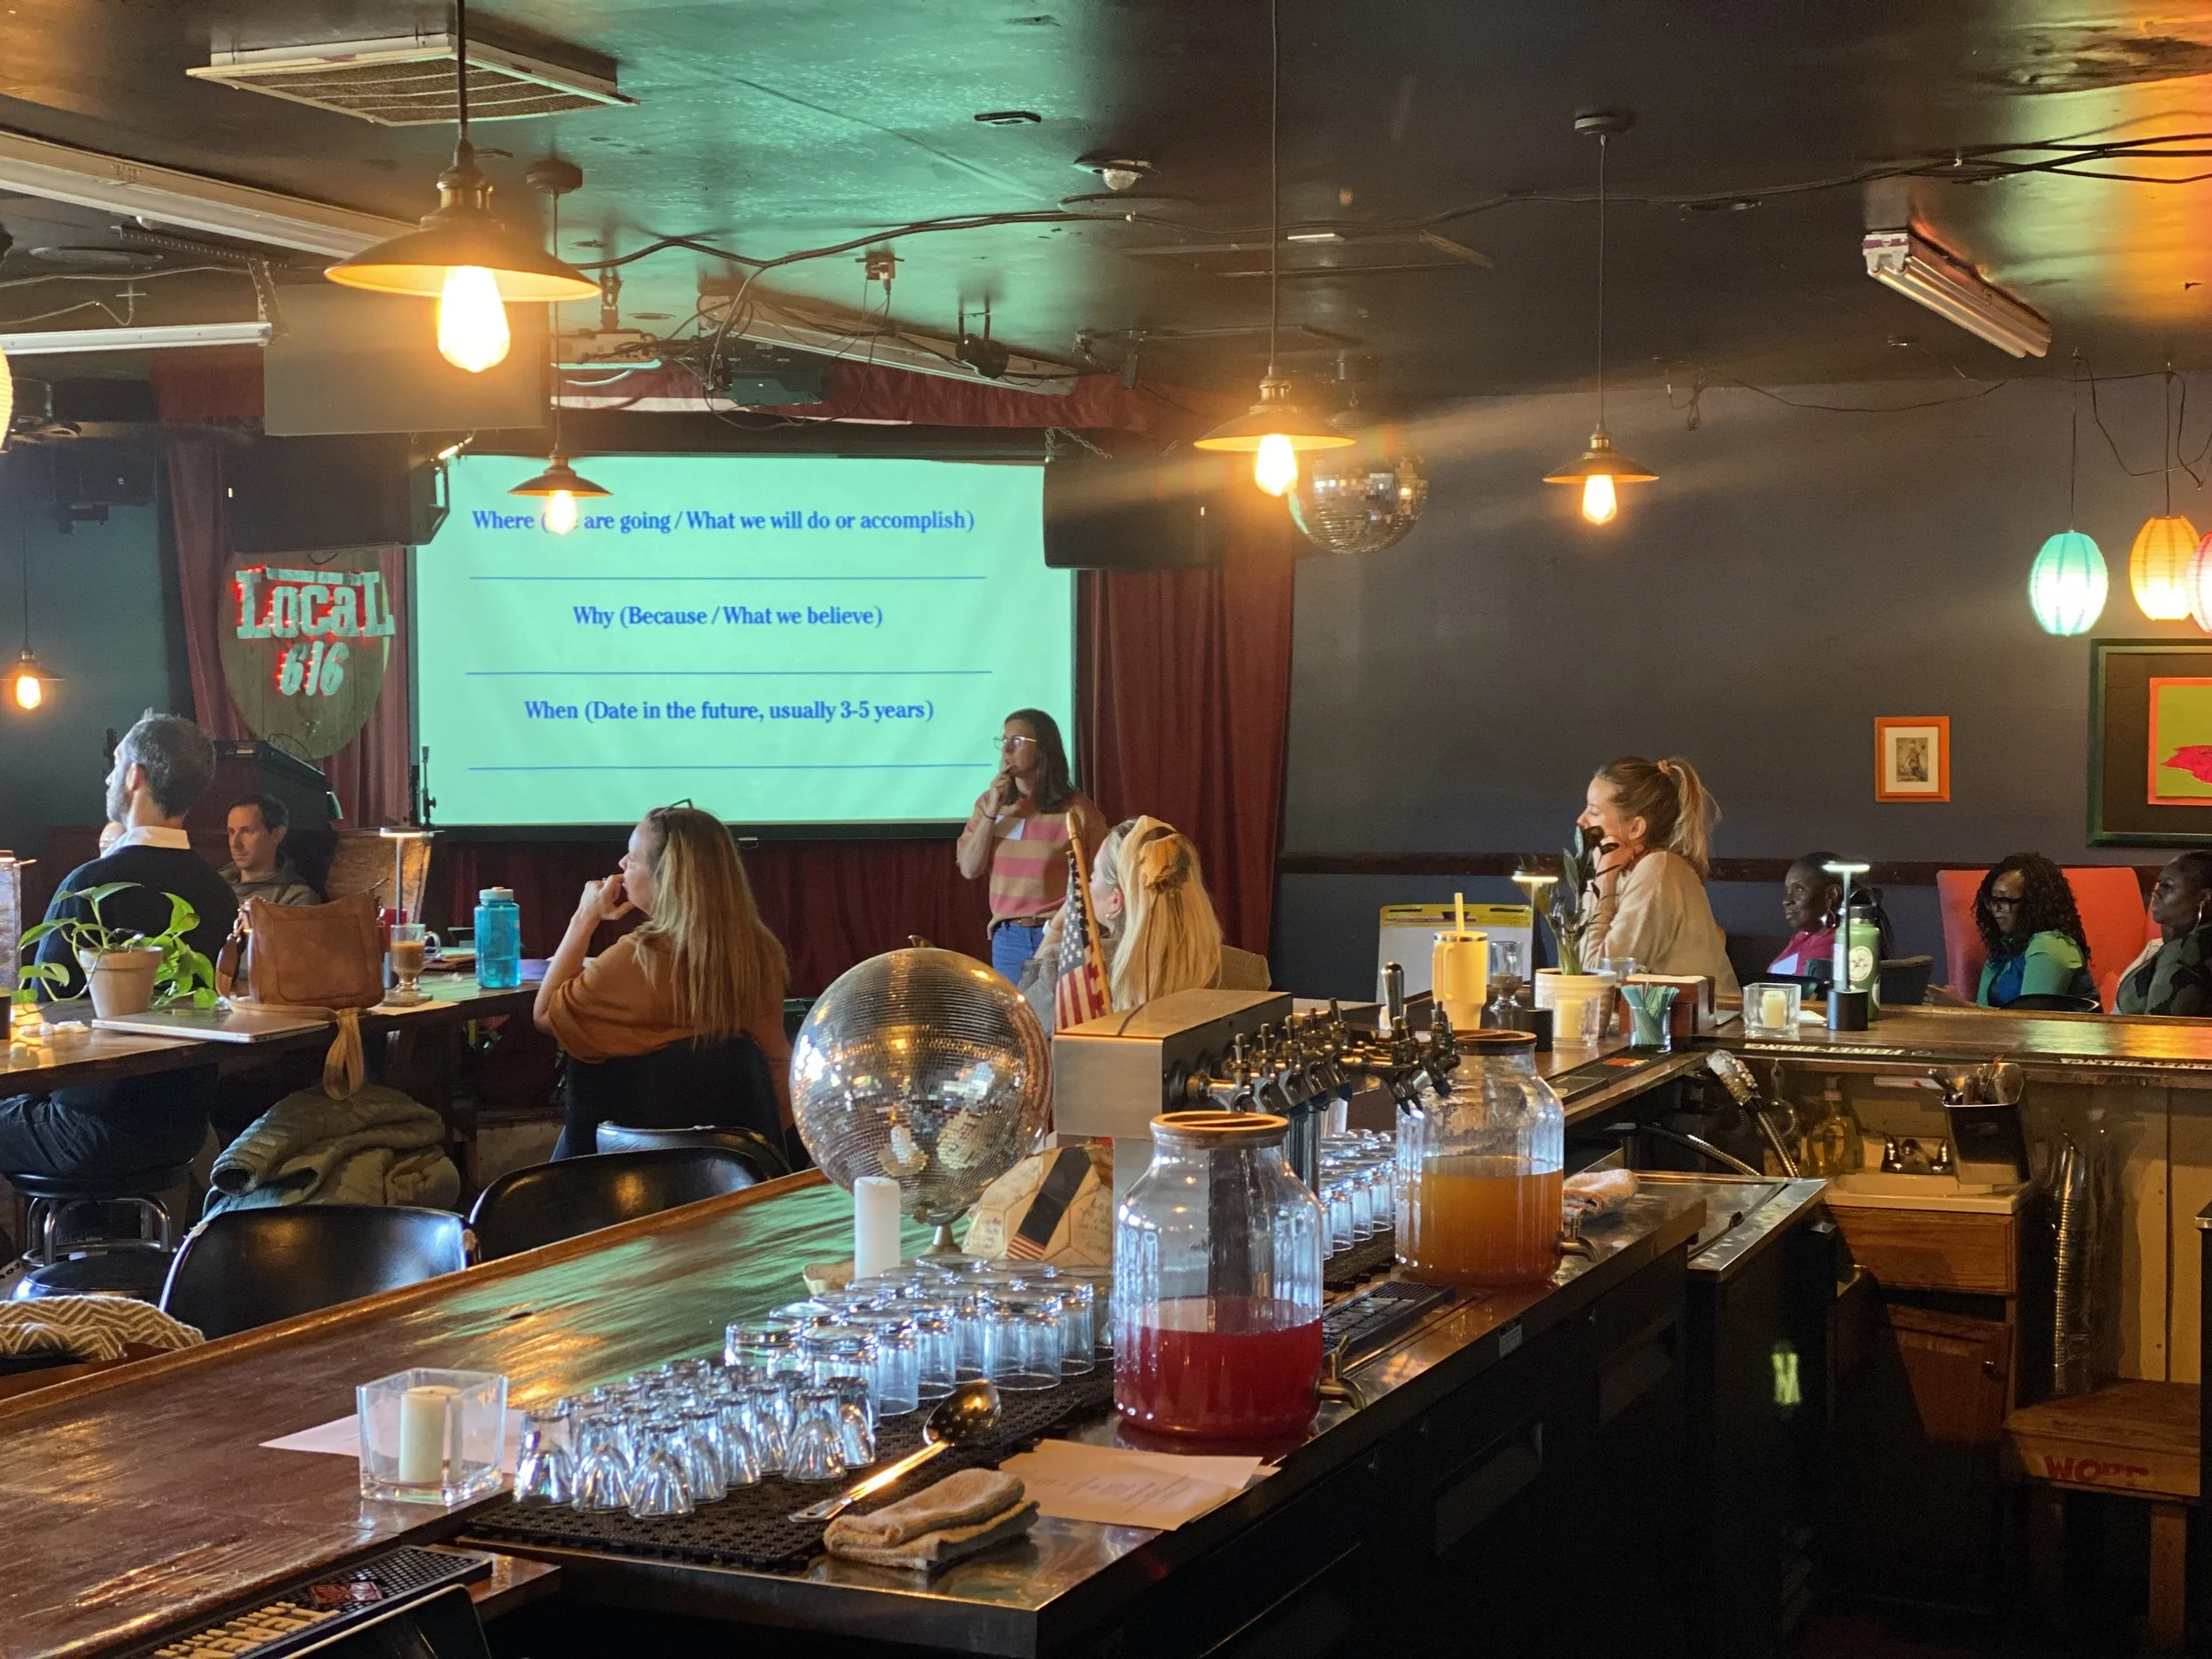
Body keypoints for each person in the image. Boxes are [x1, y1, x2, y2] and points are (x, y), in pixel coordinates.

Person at [0, 713, 237, 1179]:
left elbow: (49, 1006)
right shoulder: (219, 892)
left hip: (90, 1129)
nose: (109, 776)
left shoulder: (91, 884)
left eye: (116, 764)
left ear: (135, 776)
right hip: (182, 1130)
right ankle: (74, 1241)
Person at [534, 804, 792, 1159]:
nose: (622, 864)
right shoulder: (761, 953)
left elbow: (546, 1014)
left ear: (666, 877)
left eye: (634, 858)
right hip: (745, 1163)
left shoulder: (634, 959)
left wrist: (585, 916)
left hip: (627, 1169)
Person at [956, 709, 1107, 981]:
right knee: (1018, 1020)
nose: (1006, 751)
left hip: (1062, 934)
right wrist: (992, 810)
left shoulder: (1077, 811)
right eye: (1003, 742)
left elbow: (1104, 875)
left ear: (1042, 749)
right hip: (1009, 939)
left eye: (1016, 742)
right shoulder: (987, 805)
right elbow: (969, 868)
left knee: (1058, 1019)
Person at [1574, 755, 1740, 995]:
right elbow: (1576, 969)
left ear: (1636, 828)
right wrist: (1604, 878)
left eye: (1594, 812)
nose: (1581, 820)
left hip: (1708, 1029)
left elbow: (1597, 979)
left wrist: (1604, 880)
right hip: (1653, 1027)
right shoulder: (1618, 870)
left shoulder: (1658, 868)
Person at [1107, 818, 1272, 1008]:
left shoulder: (1090, 971)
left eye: (1094, 874)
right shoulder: (1247, 970)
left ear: (1121, 894)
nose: (1089, 883)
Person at [1974, 853, 2097, 1009]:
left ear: (2034, 904)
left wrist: (1962, 1007)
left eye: (2005, 900)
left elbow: (2030, 1020)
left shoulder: (2049, 945)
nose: (1996, 909)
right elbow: (1983, 1013)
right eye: (1993, 900)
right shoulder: (2005, 948)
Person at [2113, 852, 2212, 1015]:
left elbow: (2161, 1033)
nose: (2156, 893)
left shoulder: (2185, 955)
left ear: (2204, 898)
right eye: (2158, 885)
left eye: (2168, 886)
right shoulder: (2165, 946)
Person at [220, 794, 320, 909]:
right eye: (231, 832)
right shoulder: (213, 884)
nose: (235, 843)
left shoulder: (295, 898)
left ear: (276, 835)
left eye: (248, 831)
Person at [1769, 854, 1842, 977]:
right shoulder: (1804, 937)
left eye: (1799, 890)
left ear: (1831, 895)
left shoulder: (1841, 948)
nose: (1786, 900)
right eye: (1788, 890)